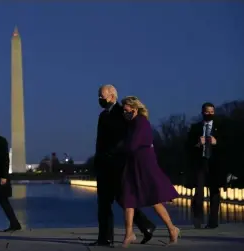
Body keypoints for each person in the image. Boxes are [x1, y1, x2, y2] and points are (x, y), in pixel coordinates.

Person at [89, 85, 156, 247]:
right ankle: (110, 236)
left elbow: (127, 136)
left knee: (120, 199)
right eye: (99, 96)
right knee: (108, 201)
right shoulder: (103, 115)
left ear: (112, 96)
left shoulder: (122, 113)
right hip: (105, 164)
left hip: (117, 163)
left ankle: (143, 226)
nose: (100, 99)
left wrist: (114, 153)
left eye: (102, 96)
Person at [118, 96, 180, 247]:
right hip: (133, 163)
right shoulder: (132, 124)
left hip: (144, 163)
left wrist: (121, 148)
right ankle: (128, 234)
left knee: (154, 198)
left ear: (134, 108)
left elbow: (132, 145)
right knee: (128, 198)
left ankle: (172, 229)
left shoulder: (141, 122)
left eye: (125, 109)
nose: (124, 111)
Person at [186, 102, 225, 229]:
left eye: (212, 112)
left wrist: (217, 142)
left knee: (214, 192)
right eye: (207, 112)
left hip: (215, 163)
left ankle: (213, 222)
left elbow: (229, 145)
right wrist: (198, 143)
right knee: (198, 192)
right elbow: (187, 146)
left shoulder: (221, 126)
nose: (209, 114)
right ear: (202, 112)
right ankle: (197, 220)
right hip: (200, 162)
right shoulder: (195, 127)